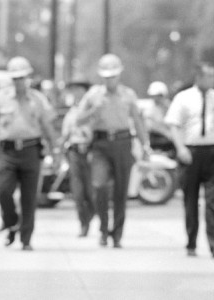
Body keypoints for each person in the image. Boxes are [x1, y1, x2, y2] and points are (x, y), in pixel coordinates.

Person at [0, 56, 60, 251]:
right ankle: (11, 222)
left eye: (22, 77)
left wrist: (56, 151)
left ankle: (26, 238)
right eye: (15, 78)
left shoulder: (38, 100)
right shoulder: (0, 98)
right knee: (4, 189)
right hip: (6, 151)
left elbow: (48, 128)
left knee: (29, 197)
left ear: (29, 77)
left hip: (31, 151)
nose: (19, 82)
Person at [74, 54, 150, 248]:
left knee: (120, 191)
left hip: (123, 143)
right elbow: (78, 119)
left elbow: (138, 122)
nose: (110, 80)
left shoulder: (128, 95)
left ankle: (117, 233)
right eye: (107, 76)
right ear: (102, 77)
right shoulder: (93, 95)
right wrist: (93, 111)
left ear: (119, 75)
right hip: (100, 144)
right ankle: (103, 228)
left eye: (113, 76)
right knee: (99, 185)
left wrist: (145, 145)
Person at [164, 62, 214, 258]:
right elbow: (174, 125)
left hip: (213, 153)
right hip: (190, 153)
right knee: (190, 200)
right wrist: (180, 148)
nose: (213, 79)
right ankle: (191, 242)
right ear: (199, 77)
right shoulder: (183, 98)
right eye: (209, 76)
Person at [59, 81, 94, 237]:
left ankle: (92, 215)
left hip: (91, 152)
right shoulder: (72, 113)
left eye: (79, 90)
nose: (77, 93)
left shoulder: (93, 111)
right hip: (74, 152)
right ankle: (83, 222)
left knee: (92, 191)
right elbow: (65, 135)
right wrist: (58, 153)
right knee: (78, 192)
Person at [144, 81, 174, 153]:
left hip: (171, 144)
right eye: (154, 96)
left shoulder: (171, 107)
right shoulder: (149, 110)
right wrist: (167, 133)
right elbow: (151, 126)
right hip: (157, 144)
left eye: (159, 95)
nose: (156, 98)